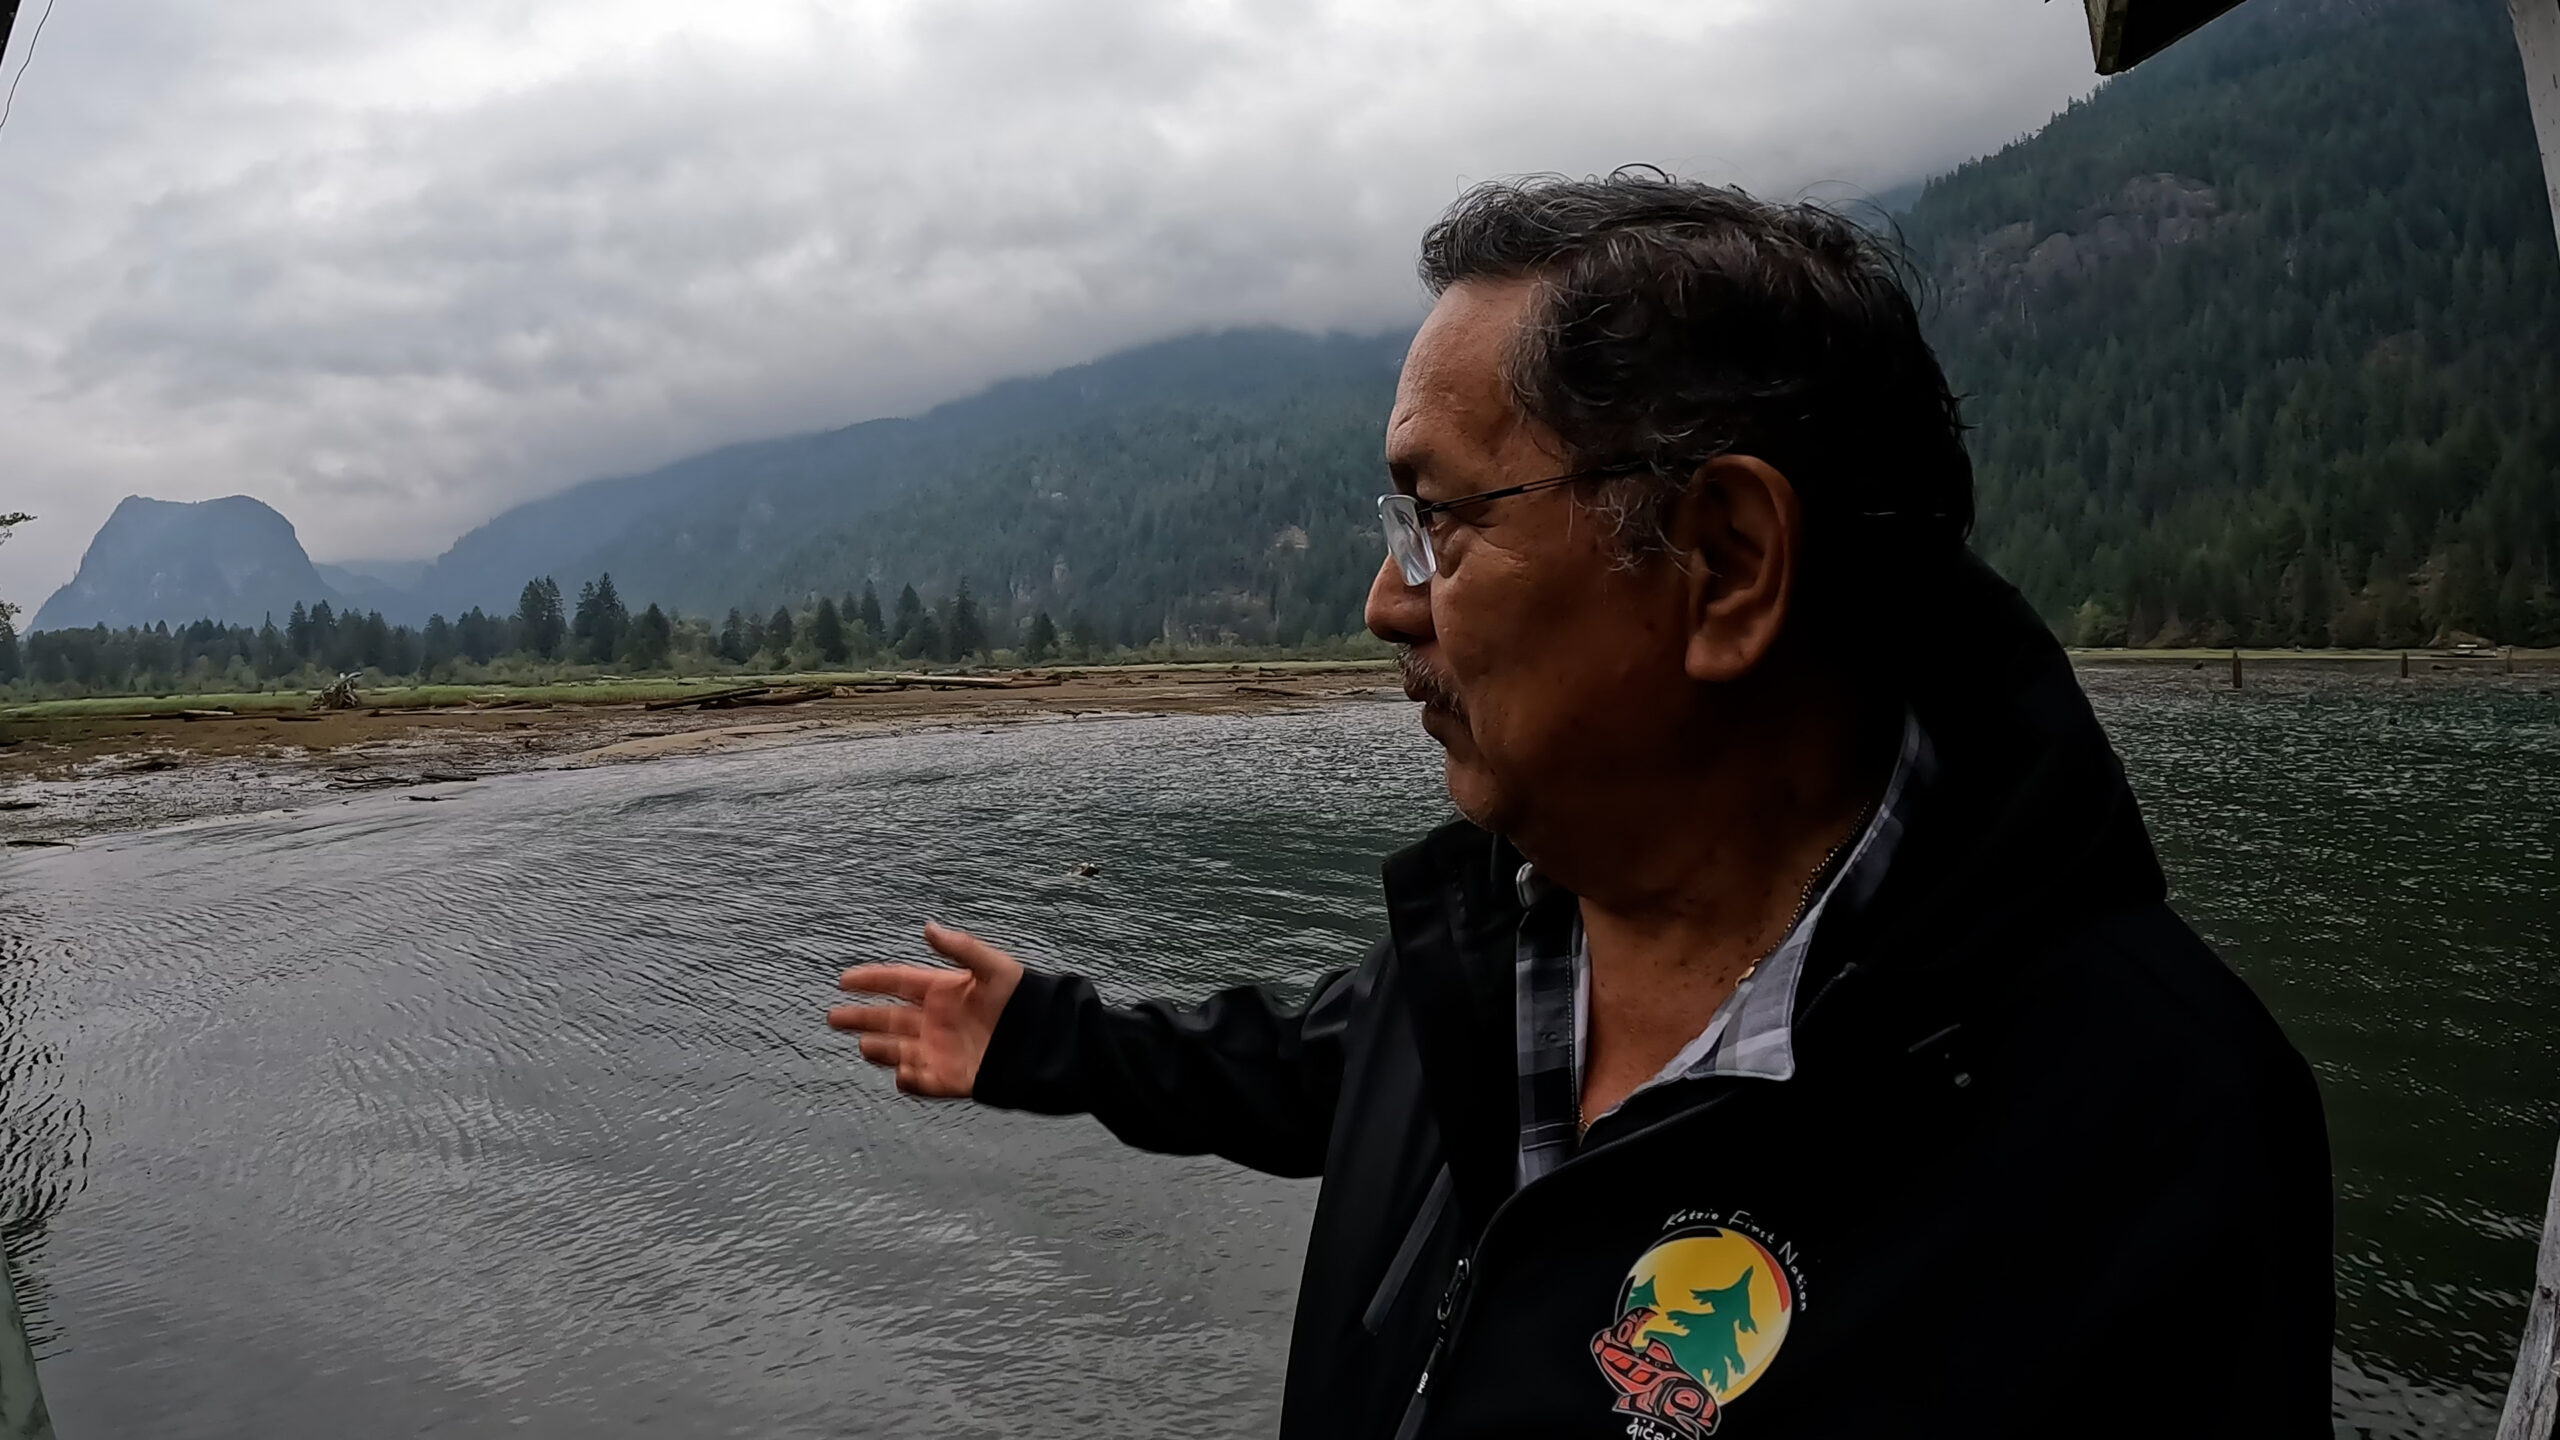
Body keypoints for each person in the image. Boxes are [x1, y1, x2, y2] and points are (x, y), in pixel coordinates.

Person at [828, 170, 2333, 1439]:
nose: (1382, 603)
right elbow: (1303, 1075)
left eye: (1439, 521)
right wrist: (1040, 1037)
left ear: (1725, 563)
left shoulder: (2147, 1133)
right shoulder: (1491, 956)